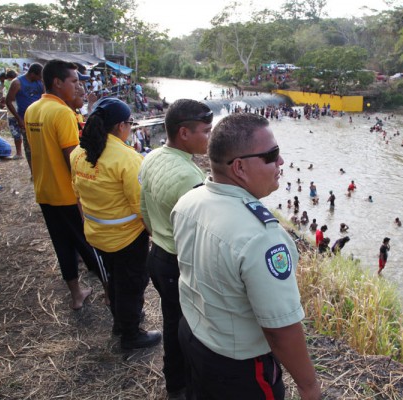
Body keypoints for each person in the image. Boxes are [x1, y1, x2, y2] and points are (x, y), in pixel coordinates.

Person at [170, 113, 321, 400]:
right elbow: (281, 329)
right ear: (239, 167)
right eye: (272, 155)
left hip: (192, 334)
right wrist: (309, 385)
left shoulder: (189, 201)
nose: (281, 162)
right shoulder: (262, 238)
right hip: (237, 367)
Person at [70, 97, 161, 350]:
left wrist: (88, 225)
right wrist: (153, 234)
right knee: (132, 283)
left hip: (96, 234)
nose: (131, 127)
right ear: (121, 125)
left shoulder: (78, 153)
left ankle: (121, 322)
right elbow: (141, 206)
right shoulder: (127, 158)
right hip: (127, 237)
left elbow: (76, 194)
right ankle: (131, 336)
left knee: (113, 279)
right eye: (130, 123)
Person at [139, 99, 213, 397]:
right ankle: (189, 387)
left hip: (157, 252)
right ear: (184, 133)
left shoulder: (152, 157)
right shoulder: (191, 180)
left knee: (173, 323)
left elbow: (144, 210)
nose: (210, 137)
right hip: (179, 263)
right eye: (206, 131)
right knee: (193, 330)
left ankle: (175, 384)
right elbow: (203, 238)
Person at [24, 60, 103, 310]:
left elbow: (35, 150)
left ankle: (76, 294)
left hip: (44, 191)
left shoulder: (32, 110)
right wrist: (87, 194)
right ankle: (111, 291)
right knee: (90, 246)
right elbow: (73, 159)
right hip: (67, 195)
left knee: (62, 244)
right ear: (58, 82)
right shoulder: (62, 113)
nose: (76, 86)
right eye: (73, 82)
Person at [6, 63, 45, 169]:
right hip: (26, 119)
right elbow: (8, 101)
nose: (40, 79)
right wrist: (19, 119)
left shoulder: (39, 82)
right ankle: (33, 172)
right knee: (29, 148)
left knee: (42, 146)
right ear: (32, 74)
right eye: (39, 76)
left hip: (41, 119)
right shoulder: (17, 83)